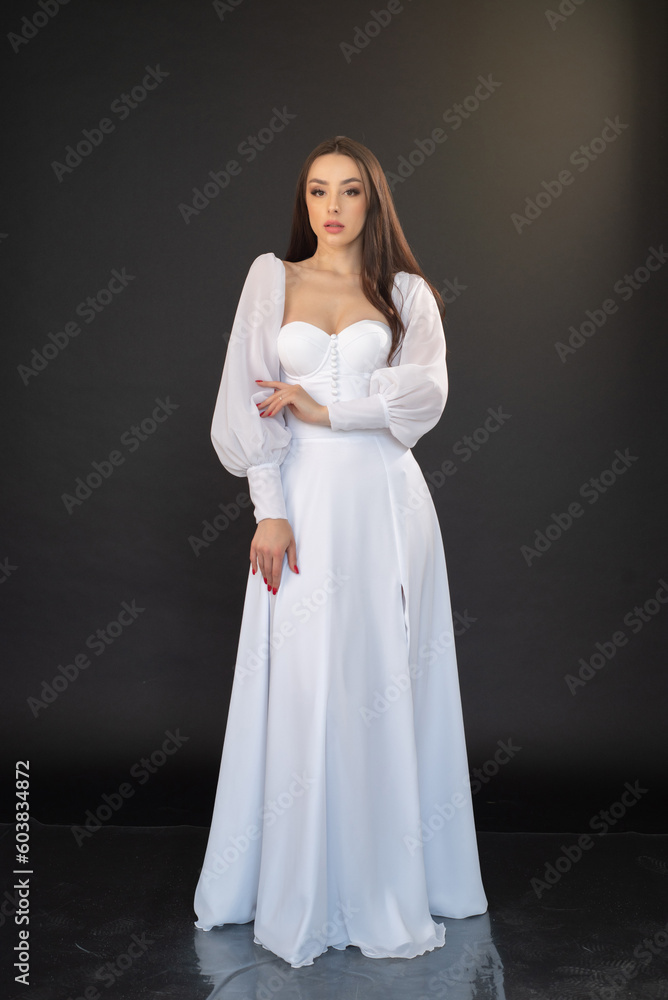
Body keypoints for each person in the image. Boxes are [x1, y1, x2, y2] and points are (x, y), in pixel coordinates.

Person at [193, 135, 488, 968]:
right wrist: (269, 511)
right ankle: (294, 882)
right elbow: (248, 402)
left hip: (386, 505)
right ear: (305, 201)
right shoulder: (271, 280)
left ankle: (386, 877)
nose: (332, 206)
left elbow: (424, 396)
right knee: (302, 678)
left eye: (350, 190)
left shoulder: (407, 294)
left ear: (372, 201)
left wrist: (328, 408)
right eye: (319, 190)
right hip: (303, 504)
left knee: (380, 677)